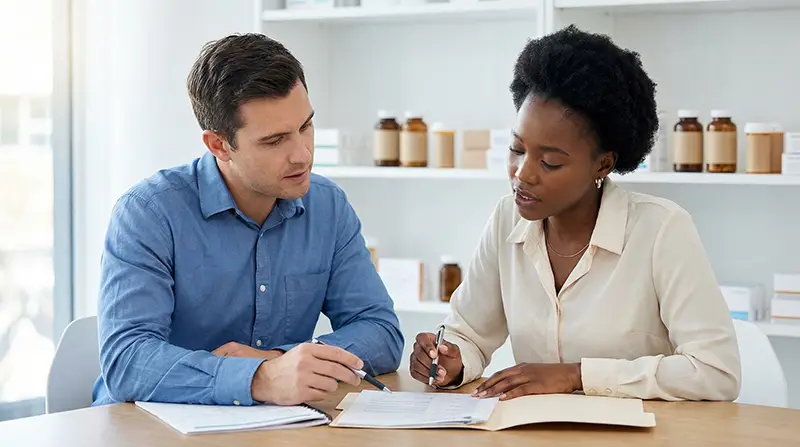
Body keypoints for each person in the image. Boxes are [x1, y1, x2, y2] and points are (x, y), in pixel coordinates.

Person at [409, 25, 741, 402]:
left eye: (549, 162)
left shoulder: (661, 229)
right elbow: (469, 332)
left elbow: (716, 372)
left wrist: (576, 376)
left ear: (602, 164)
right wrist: (450, 360)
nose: (522, 173)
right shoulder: (507, 219)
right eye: (517, 149)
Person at [93, 33, 404, 407]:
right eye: (275, 141)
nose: (302, 155)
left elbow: (381, 331)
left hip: (271, 428)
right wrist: (258, 379)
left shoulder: (328, 206)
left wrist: (278, 362)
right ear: (219, 145)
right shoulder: (149, 212)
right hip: (147, 428)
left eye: (305, 127)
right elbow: (127, 363)